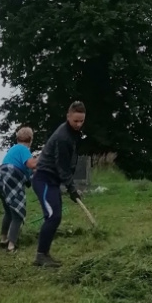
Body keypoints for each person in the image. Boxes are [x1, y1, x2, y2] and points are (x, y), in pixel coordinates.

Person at [31, 101, 86, 268]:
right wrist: (72, 188)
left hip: (53, 182)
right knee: (53, 216)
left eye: (81, 121)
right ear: (68, 116)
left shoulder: (72, 134)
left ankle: (44, 254)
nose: (78, 124)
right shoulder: (63, 137)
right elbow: (62, 167)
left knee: (55, 216)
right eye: (75, 120)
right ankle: (41, 256)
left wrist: (71, 187)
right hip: (44, 180)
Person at [0, 127, 40, 252]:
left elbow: (29, 170)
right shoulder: (24, 149)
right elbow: (32, 165)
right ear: (30, 140)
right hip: (11, 177)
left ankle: (3, 239)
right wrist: (41, 158)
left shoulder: (13, 149)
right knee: (17, 214)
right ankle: (11, 245)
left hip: (1, 179)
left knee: (9, 212)